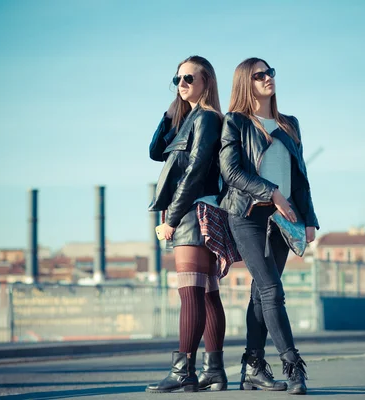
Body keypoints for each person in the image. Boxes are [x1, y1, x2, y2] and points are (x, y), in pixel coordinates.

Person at [218, 57, 320, 395]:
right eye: (259, 75)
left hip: (284, 217)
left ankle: (252, 366)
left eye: (270, 72)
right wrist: (272, 193)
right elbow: (231, 172)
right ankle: (294, 367)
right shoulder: (235, 122)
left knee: (262, 295)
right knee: (272, 290)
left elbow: (301, 177)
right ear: (246, 82)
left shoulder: (289, 124)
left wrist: (309, 219)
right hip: (246, 213)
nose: (268, 79)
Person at [146, 55, 232, 393]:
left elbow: (196, 171)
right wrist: (170, 112)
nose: (181, 84)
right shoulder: (189, 119)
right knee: (208, 293)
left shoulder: (207, 119)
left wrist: (175, 217)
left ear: (205, 82)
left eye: (188, 79)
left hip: (194, 213)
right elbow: (156, 151)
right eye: (177, 79)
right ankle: (214, 371)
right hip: (199, 212)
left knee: (191, 292)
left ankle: (183, 370)